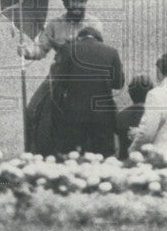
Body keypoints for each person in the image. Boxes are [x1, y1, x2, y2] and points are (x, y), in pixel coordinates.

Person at [20, 0, 103, 153]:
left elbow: (98, 51)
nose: (77, 6)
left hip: (85, 77)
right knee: (32, 109)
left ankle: (107, 147)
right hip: (58, 76)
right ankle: (33, 149)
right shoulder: (54, 25)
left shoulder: (94, 24)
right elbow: (41, 49)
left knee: (106, 110)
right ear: (65, 3)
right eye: (73, 2)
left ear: (85, 1)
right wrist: (27, 51)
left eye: (81, 2)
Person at [49, 27, 124, 156]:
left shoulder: (68, 50)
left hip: (74, 116)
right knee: (103, 158)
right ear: (98, 39)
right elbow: (118, 83)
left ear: (80, 37)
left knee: (73, 157)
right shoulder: (111, 52)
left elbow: (61, 82)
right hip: (102, 116)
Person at [116, 75, 154, 158]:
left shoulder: (120, 116)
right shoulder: (154, 116)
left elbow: (116, 148)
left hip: (124, 163)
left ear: (130, 93)